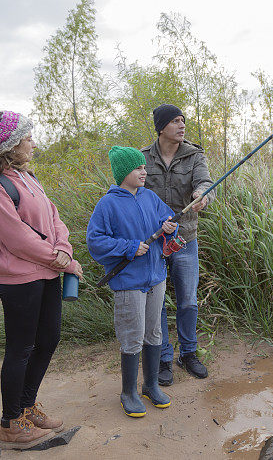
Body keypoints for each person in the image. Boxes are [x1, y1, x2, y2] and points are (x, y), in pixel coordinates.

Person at [0, 111, 83, 450]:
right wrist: (59, 259)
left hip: (47, 272)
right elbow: (16, 238)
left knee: (48, 340)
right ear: (9, 145)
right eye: (26, 138)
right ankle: (11, 424)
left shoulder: (28, 177)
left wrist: (63, 249)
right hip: (18, 278)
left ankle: (28, 408)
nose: (32, 142)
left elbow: (54, 217)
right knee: (20, 348)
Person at [87, 146, 178, 418]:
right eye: (137, 167)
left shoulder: (150, 197)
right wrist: (129, 247)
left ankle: (150, 386)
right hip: (128, 281)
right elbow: (95, 241)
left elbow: (166, 218)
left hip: (156, 278)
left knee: (155, 334)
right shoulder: (107, 204)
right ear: (123, 172)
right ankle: (129, 392)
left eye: (144, 167)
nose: (144, 171)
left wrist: (169, 227)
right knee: (132, 338)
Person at [141, 104, 215, 385]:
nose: (182, 125)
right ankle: (161, 358)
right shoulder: (143, 157)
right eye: (175, 121)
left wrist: (202, 195)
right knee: (157, 301)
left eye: (183, 120)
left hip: (186, 239)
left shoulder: (195, 155)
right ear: (161, 128)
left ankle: (189, 353)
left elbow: (205, 182)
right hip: (155, 241)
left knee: (187, 300)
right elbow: (133, 191)